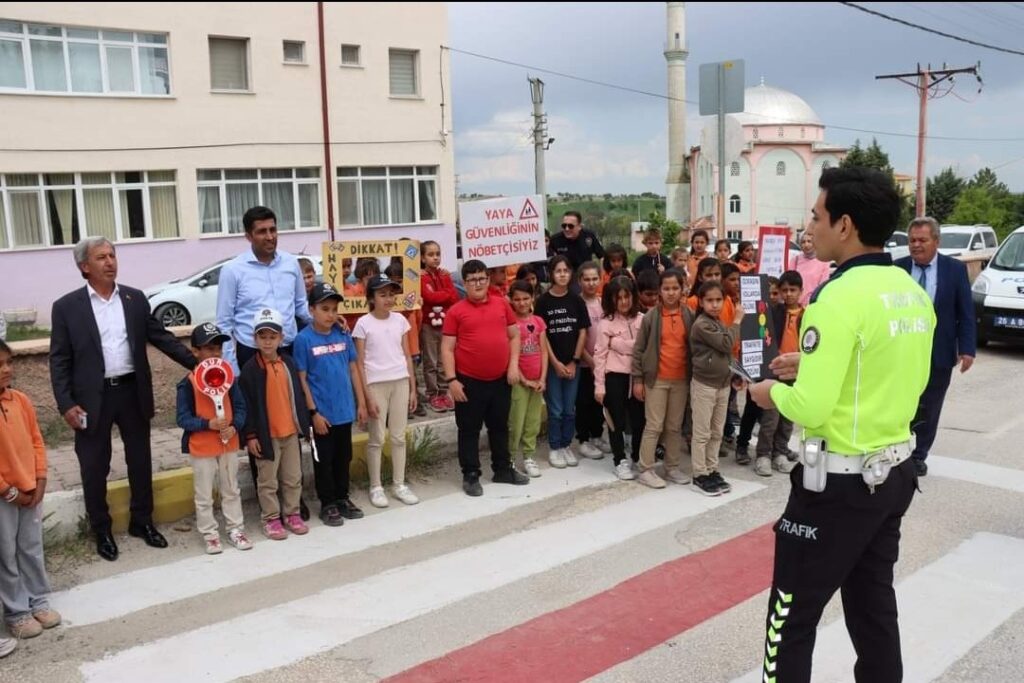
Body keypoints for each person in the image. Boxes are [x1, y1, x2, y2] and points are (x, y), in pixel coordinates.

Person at [749, 166, 935, 683]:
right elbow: (890, 371)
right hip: (893, 473)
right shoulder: (910, 291)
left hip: (837, 483)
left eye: (817, 215)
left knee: (789, 616)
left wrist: (769, 391)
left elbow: (807, 407)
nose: (811, 226)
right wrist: (809, 364)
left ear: (845, 224)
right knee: (873, 608)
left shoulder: (834, 298)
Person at [49, 237, 196, 561]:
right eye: (101, 257)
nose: (110, 261)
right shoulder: (66, 307)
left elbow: (160, 338)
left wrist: (199, 365)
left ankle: (141, 522)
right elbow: (59, 360)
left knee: (140, 461)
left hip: (131, 391)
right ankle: (101, 529)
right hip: (91, 399)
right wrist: (66, 403)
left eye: (112, 255)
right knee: (94, 466)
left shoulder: (134, 298)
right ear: (84, 267)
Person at [895, 216, 976, 476]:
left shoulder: (954, 269)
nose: (916, 245)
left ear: (936, 241)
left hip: (938, 351)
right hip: (902, 352)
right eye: (912, 241)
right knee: (901, 401)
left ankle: (918, 455)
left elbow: (965, 311)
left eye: (922, 240)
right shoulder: (897, 270)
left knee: (930, 406)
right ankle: (897, 451)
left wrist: (967, 348)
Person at [442, 260, 529, 496]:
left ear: (488, 280)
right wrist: (452, 381)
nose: (477, 284)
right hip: (468, 381)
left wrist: (513, 367)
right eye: (472, 280)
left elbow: (514, 337)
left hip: (501, 379)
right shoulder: (456, 312)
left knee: (500, 427)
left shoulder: (502, 305)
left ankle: (502, 469)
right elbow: (447, 348)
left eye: (481, 278)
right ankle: (471, 474)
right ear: (464, 283)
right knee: (468, 430)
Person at [0, 340, 61, 640]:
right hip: (5, 496)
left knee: (31, 548)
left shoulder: (20, 400)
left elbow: (36, 440)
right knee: (5, 553)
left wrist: (40, 479)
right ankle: (16, 611)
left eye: (9, 362)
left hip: (30, 489)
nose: (6, 369)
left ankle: (38, 600)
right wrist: (9, 492)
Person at [294, 283, 367, 527]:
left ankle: (342, 497)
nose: (331, 315)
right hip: (322, 415)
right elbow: (302, 379)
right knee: (323, 460)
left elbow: (353, 368)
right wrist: (313, 412)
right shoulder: (303, 340)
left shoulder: (342, 333)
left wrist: (361, 403)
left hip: (344, 410)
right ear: (311, 309)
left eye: (334, 309)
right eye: (324, 309)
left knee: (343, 457)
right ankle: (327, 503)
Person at [175, 323, 252, 554]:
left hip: (228, 444)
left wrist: (234, 425)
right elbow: (182, 418)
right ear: (195, 351)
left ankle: (235, 528)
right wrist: (206, 424)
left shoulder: (229, 377)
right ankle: (209, 533)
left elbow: (240, 407)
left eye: (218, 348)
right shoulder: (187, 383)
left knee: (231, 488)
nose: (215, 354)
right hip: (201, 447)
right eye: (208, 349)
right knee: (204, 493)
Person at [239, 309, 310, 541]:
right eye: (263, 336)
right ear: (255, 339)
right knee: (267, 481)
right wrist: (250, 436)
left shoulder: (287, 363)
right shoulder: (250, 370)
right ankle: (271, 518)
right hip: (266, 435)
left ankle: (292, 513)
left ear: (281, 338)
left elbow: (297, 396)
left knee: (292, 477)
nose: (267, 341)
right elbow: (247, 405)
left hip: (290, 432)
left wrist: (304, 424)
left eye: (272, 336)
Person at [215, 206, 310, 371]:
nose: (270, 237)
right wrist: (232, 367)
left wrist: (327, 321)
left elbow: (301, 306)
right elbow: (224, 323)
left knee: (291, 396)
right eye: (262, 232)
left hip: (288, 349)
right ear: (248, 236)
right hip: (251, 353)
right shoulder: (233, 271)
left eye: (273, 230)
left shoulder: (291, 263)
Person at [353, 276, 420, 508]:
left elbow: (407, 355)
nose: (388, 299)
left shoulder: (400, 320)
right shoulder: (363, 324)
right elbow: (360, 362)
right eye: (382, 294)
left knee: (399, 436)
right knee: (377, 438)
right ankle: (375, 486)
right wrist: (367, 396)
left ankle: (399, 484)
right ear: (371, 298)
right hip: (375, 384)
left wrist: (413, 387)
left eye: (391, 294)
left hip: (400, 380)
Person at [631, 269, 693, 489]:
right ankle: (645, 469)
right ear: (659, 290)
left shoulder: (689, 315)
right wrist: (638, 380)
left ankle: (672, 467)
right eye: (666, 288)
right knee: (654, 425)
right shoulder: (651, 317)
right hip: (656, 379)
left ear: (683, 289)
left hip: (680, 380)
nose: (670, 293)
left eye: (675, 288)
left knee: (674, 426)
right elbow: (638, 350)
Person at [688, 281, 743, 496]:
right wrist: (737, 320)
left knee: (716, 431)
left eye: (718, 300)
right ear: (701, 302)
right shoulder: (702, 324)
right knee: (701, 433)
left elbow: (727, 355)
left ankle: (712, 469)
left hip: (722, 385)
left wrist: (735, 375)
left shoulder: (719, 322)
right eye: (710, 300)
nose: (715, 305)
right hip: (704, 385)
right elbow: (727, 344)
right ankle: (699, 473)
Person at [536, 256, 591, 468]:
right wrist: (555, 363)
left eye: (566, 271)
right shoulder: (543, 302)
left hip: (572, 364)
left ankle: (567, 444)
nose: (562, 274)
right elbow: (543, 336)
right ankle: (555, 447)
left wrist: (574, 361)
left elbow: (583, 332)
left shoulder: (577, 300)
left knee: (569, 409)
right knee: (556, 408)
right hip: (552, 365)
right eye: (558, 271)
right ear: (551, 274)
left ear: (571, 274)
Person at [593, 276, 645, 480]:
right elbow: (599, 355)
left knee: (640, 420)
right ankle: (619, 460)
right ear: (611, 300)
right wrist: (599, 386)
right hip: (615, 377)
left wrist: (619, 344)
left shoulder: (643, 318)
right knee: (616, 421)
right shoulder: (606, 323)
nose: (624, 301)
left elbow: (644, 347)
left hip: (638, 378)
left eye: (627, 296)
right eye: (619, 298)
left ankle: (637, 456)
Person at [507, 280, 548, 478]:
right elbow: (510, 356)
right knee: (517, 421)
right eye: (517, 299)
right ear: (511, 301)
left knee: (533, 421)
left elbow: (544, 352)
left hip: (537, 382)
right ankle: (511, 457)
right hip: (520, 383)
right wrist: (524, 381)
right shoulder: (511, 324)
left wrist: (542, 378)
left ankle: (529, 456)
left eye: (525, 298)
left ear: (532, 298)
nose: (522, 303)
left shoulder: (539, 322)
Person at [576, 262, 610, 458]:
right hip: (583, 363)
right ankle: (584, 439)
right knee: (583, 402)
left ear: (600, 279)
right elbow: (576, 338)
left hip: (601, 363)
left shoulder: (602, 303)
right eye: (586, 279)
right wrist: (590, 361)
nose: (591, 283)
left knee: (599, 400)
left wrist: (600, 363)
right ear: (580, 281)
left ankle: (597, 435)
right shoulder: (576, 303)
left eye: (594, 279)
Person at [420, 240, 459, 413]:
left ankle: (444, 392)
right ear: (422, 257)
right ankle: (432, 393)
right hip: (428, 324)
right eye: (430, 254)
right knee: (431, 360)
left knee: (444, 359)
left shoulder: (444, 275)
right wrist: (445, 294)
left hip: (445, 324)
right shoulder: (420, 276)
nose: (435, 258)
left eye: (437, 254)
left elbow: (454, 296)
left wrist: (442, 293)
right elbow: (428, 297)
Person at [792, 230, 832, 306]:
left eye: (809, 241)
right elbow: (790, 282)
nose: (806, 245)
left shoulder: (824, 261)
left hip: (813, 304)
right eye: (803, 242)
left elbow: (822, 286)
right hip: (795, 306)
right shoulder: (795, 260)